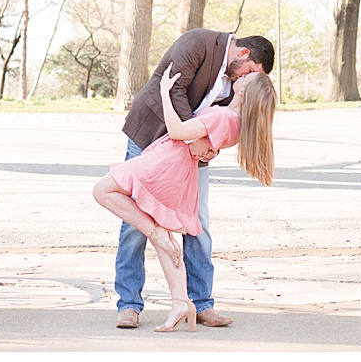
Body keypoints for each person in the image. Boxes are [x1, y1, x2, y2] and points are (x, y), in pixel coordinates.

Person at [110, 29, 275, 329]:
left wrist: (208, 150)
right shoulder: (199, 42)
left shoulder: (237, 86)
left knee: (198, 222)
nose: (246, 79)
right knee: (135, 218)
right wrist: (192, 140)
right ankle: (129, 304)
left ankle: (200, 303)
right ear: (244, 54)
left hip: (190, 152)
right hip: (152, 135)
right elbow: (173, 88)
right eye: (251, 72)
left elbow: (224, 124)